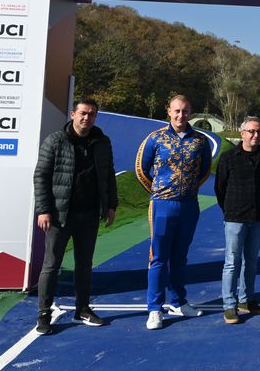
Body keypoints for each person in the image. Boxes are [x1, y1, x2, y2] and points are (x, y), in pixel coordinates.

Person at [33, 99, 117, 335]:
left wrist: (111, 205)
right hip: (60, 215)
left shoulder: (102, 142)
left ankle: (82, 309)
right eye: (83, 113)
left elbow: (109, 174)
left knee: (84, 265)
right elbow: (41, 176)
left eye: (91, 114)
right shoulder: (55, 140)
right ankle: (44, 314)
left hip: (89, 214)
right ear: (73, 114)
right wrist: (44, 209)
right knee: (51, 265)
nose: (86, 118)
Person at [136, 94, 212, 330]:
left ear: (191, 113)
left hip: (189, 205)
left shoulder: (200, 141)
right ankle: (155, 308)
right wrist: (160, 191)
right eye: (177, 111)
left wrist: (188, 190)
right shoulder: (155, 138)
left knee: (180, 256)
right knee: (158, 257)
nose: (181, 115)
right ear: (169, 111)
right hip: (162, 205)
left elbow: (205, 171)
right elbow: (141, 169)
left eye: (185, 111)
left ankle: (178, 302)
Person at [215, 116, 260, 324]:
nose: (256, 135)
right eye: (251, 131)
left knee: (251, 260)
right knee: (232, 262)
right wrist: (230, 209)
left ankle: (246, 300)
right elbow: (220, 188)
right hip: (235, 217)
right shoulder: (228, 157)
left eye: (259, 131)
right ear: (242, 134)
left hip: (259, 217)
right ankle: (229, 305)